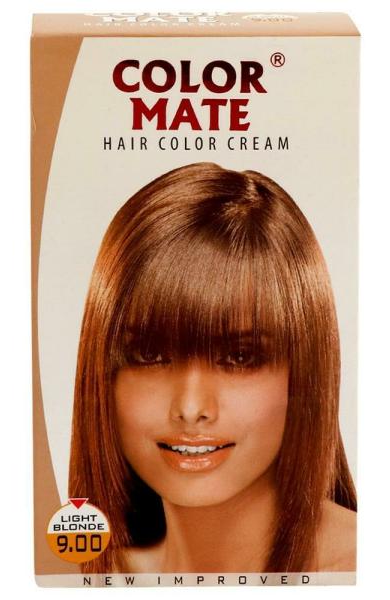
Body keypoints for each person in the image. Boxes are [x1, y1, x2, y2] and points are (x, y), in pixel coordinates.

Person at [69, 162, 356, 573]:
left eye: (240, 357)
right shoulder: (88, 576)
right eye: (149, 354)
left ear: (305, 372)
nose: (191, 408)